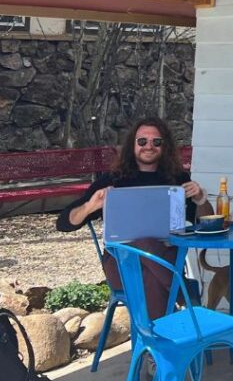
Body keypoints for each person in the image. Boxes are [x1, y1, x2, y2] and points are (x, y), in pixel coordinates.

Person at [56, 117, 212, 319]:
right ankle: (186, 299)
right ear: (132, 145)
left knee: (149, 275)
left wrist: (200, 198)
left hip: (165, 257)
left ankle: (157, 344)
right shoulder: (114, 179)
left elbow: (208, 223)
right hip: (122, 263)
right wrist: (90, 206)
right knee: (143, 245)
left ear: (165, 146)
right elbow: (63, 223)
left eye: (157, 142)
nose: (149, 146)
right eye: (142, 141)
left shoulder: (177, 179)